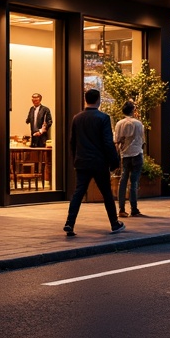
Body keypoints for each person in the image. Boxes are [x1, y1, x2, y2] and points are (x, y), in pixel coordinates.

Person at [63, 88, 124, 237]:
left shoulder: (76, 118)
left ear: (86, 99)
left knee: (78, 193)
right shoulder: (103, 118)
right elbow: (108, 143)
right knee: (106, 193)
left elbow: (72, 142)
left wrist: (74, 159)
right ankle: (114, 223)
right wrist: (114, 161)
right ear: (98, 100)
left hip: (82, 161)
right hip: (99, 162)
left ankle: (70, 223)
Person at [114, 101, 145, 217]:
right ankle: (134, 208)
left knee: (123, 180)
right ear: (133, 110)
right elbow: (142, 140)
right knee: (134, 181)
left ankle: (121, 208)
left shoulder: (119, 124)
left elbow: (116, 140)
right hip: (137, 154)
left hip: (125, 155)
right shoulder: (138, 124)